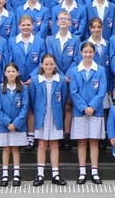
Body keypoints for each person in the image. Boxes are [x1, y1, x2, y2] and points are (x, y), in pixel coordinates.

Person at [67, 42, 108, 185]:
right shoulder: (74, 71)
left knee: (94, 141)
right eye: (85, 52)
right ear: (80, 53)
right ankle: (82, 171)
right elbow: (74, 91)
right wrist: (84, 107)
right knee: (82, 142)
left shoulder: (101, 70)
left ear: (94, 53)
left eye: (90, 52)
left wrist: (92, 106)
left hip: (96, 111)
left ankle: (95, 171)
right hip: (80, 112)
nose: (88, 54)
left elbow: (102, 91)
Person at [30, 54, 68, 186]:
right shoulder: (35, 80)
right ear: (41, 65)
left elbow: (62, 100)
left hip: (55, 116)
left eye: (51, 64)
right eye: (46, 64)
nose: (49, 67)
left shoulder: (61, 80)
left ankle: (55, 175)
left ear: (55, 65)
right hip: (42, 116)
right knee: (41, 144)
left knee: (54, 144)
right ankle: (40, 175)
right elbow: (33, 99)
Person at [0, 62, 29, 187]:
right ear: (5, 73)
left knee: (15, 148)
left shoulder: (23, 88)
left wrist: (16, 123)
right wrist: (7, 123)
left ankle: (16, 175)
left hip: (18, 125)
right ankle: (5, 175)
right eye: (9, 71)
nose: (11, 73)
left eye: (13, 71)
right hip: (4, 126)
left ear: (17, 73)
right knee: (6, 148)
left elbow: (25, 108)